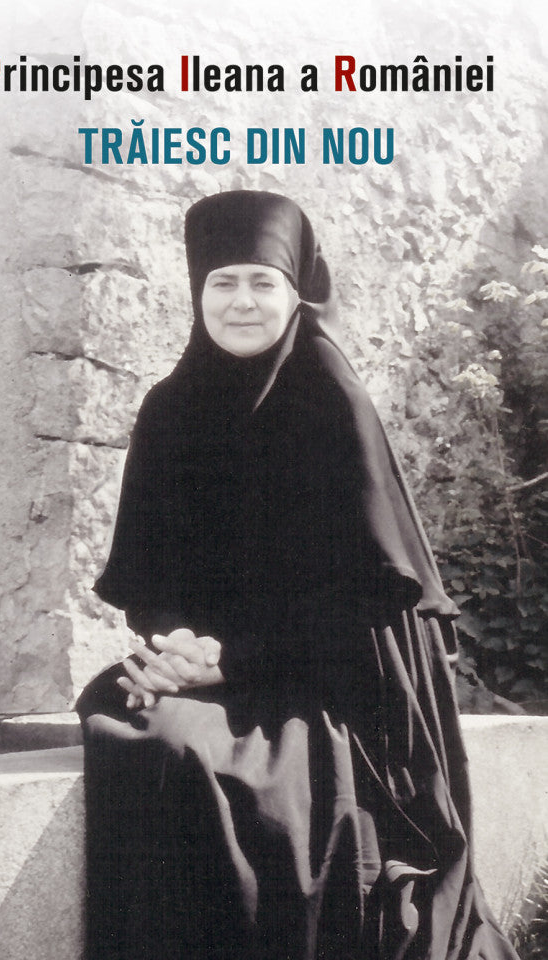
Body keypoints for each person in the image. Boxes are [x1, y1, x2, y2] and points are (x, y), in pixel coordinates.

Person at [76, 191, 519, 960]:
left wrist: (230, 660)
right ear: (197, 292)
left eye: (262, 282)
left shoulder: (327, 401)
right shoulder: (168, 409)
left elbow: (365, 607)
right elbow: (149, 579)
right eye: (222, 282)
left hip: (337, 684)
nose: (241, 302)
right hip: (212, 669)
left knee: (208, 767)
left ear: (294, 293)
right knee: (128, 721)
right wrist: (175, 648)